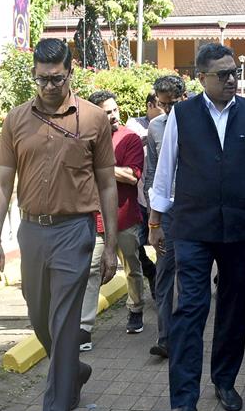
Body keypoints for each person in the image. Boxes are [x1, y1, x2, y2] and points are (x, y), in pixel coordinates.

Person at [149, 43, 245, 411]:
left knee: (232, 308)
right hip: (193, 228)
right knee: (191, 309)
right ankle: (183, 403)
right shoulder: (182, 114)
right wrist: (156, 220)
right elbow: (166, 170)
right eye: (222, 74)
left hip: (242, 228)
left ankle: (224, 380)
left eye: (235, 71)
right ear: (201, 78)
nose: (232, 79)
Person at [0, 39, 118, 411]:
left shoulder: (94, 120)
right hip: (32, 233)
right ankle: (72, 372)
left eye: (55, 78)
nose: (47, 86)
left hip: (74, 231)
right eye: (41, 78)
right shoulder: (16, 120)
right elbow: (3, 183)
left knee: (63, 327)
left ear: (70, 72)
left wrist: (112, 242)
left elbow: (108, 185)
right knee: (41, 320)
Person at [79, 90, 146, 339]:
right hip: (95, 219)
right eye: (107, 112)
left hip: (125, 217)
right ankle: (85, 327)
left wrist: (101, 168)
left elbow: (132, 175)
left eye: (115, 110)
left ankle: (136, 309)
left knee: (131, 265)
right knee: (91, 269)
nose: (114, 116)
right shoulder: (86, 139)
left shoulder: (129, 139)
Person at [143, 74, 188, 359]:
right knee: (164, 274)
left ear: (184, 98)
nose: (167, 110)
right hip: (166, 214)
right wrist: (152, 219)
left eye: (172, 104)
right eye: (163, 105)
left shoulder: (196, 123)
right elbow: (152, 173)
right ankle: (165, 338)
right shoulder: (155, 128)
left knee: (188, 277)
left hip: (193, 211)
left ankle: (184, 336)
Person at [126, 90, 162, 297]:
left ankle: (161, 286)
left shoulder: (171, 123)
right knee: (134, 246)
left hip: (159, 198)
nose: (165, 107)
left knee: (161, 244)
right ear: (149, 105)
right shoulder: (135, 124)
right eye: (160, 103)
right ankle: (151, 271)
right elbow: (134, 139)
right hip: (138, 198)